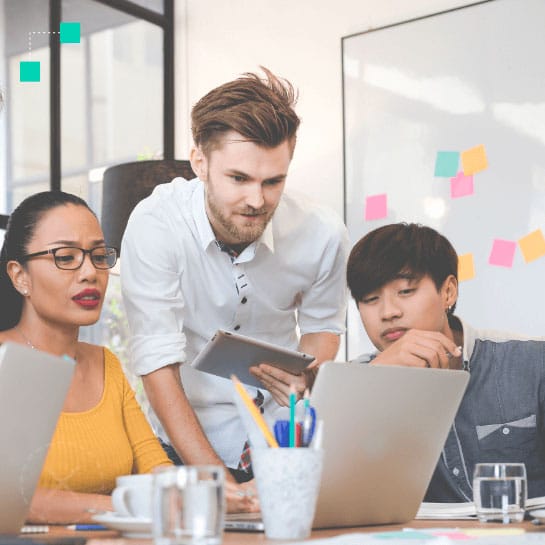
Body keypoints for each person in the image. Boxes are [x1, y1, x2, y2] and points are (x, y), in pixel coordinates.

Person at [121, 67, 349, 497]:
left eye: (274, 181)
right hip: (183, 447)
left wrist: (309, 377)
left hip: (284, 441)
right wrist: (219, 485)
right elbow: (157, 365)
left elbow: (323, 331)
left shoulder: (323, 234)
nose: (257, 200)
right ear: (200, 163)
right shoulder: (156, 225)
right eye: (239, 179)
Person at [0, 191, 172, 523]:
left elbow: (156, 468)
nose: (90, 272)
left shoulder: (107, 364)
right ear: (20, 276)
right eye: (65, 257)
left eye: (98, 255)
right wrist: (128, 507)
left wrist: (205, 493)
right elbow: (12, 499)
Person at [346, 222, 545, 502]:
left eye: (405, 292)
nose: (388, 312)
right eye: (370, 299)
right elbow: (323, 487)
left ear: (448, 292)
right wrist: (376, 382)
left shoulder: (531, 363)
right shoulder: (351, 386)